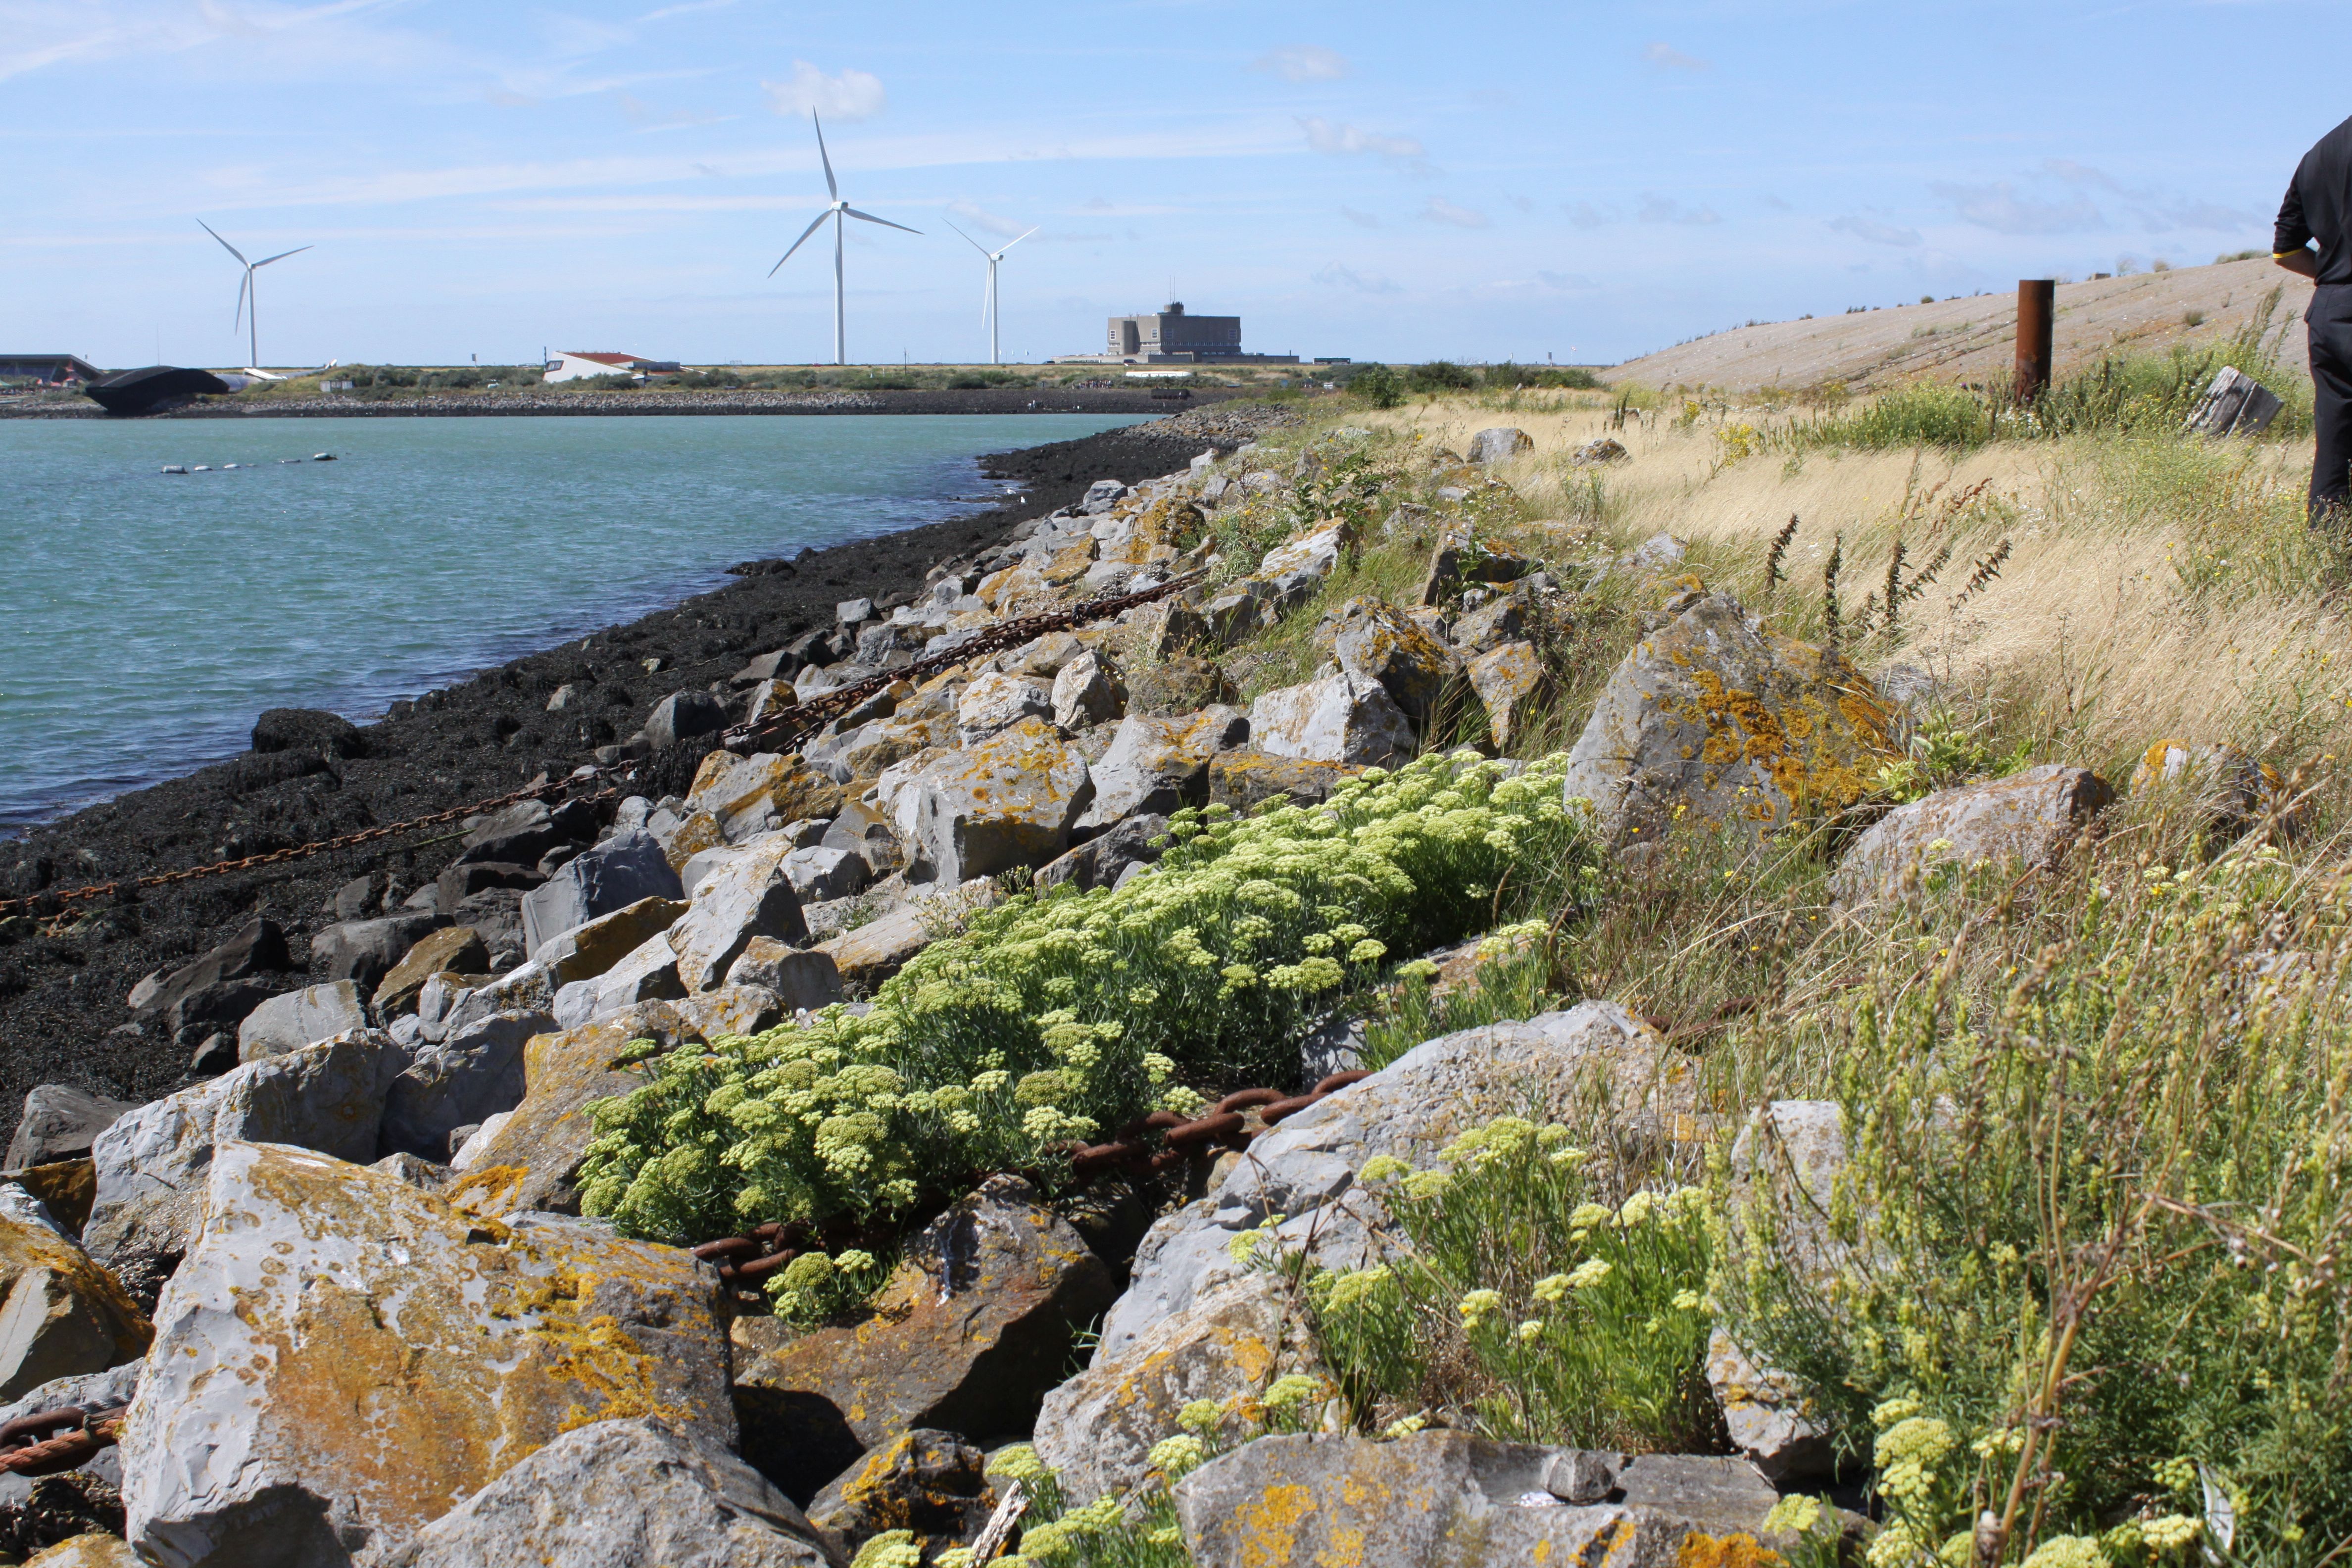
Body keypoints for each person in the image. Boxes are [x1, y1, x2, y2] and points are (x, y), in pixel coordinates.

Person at [2278, 115, 2352, 523]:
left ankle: (2329, 569)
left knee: (2335, 448)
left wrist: (2335, 278)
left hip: (2329, 312)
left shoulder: (2317, 154)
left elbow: (2285, 250)